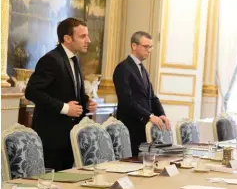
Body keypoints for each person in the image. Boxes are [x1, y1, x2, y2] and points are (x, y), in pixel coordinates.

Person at [25, 18, 97, 171]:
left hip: (70, 136)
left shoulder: (74, 59)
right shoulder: (51, 59)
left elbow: (69, 90)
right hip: (52, 137)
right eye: (83, 36)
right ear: (67, 38)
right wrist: (64, 108)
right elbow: (32, 92)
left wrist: (86, 101)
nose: (88, 40)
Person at [113, 31, 170, 156]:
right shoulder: (123, 68)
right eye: (146, 46)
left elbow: (152, 97)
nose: (149, 50)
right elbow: (126, 100)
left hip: (143, 127)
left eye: (151, 47)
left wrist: (161, 114)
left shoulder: (142, 69)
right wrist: (149, 116)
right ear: (134, 46)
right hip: (130, 126)